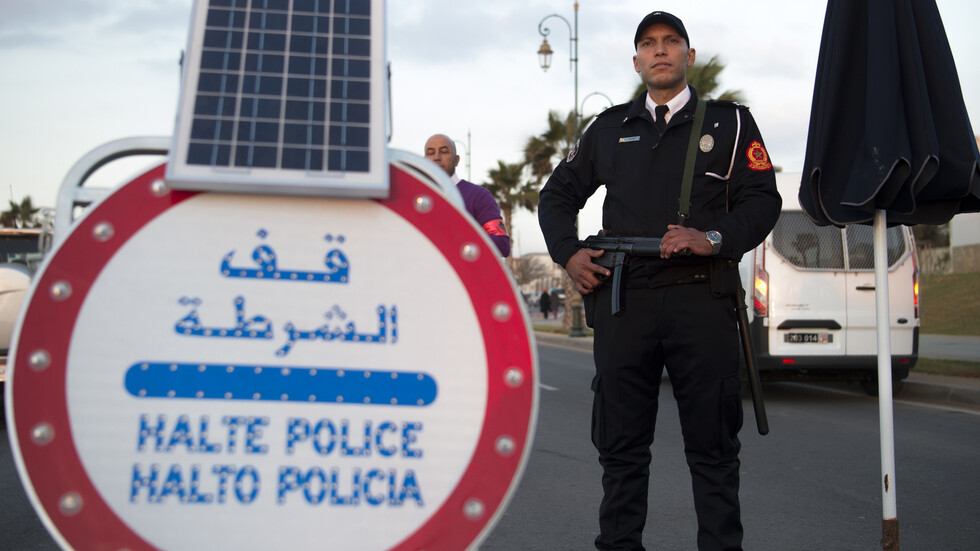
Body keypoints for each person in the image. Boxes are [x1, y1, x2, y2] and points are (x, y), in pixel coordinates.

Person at [537, 11, 781, 551]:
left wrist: (713, 237)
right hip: (625, 298)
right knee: (621, 448)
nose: (660, 51)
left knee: (713, 449)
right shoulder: (609, 127)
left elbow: (763, 200)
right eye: (648, 44)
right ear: (636, 60)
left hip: (701, 294)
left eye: (671, 42)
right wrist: (569, 255)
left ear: (688, 56)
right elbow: (555, 197)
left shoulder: (731, 123)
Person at [424, 134, 511, 257]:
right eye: (431, 153)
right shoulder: (416, 196)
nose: (437, 157)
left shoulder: (478, 195)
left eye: (444, 152)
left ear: (457, 160)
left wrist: (459, 235)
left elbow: (502, 244)